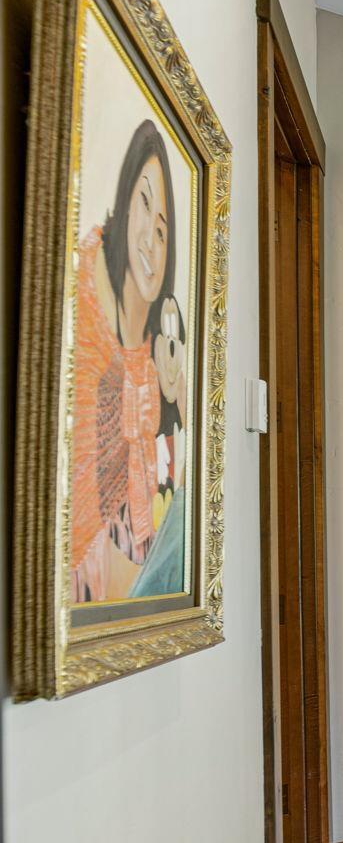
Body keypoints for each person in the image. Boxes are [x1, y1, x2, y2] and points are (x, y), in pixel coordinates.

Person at [68, 118, 180, 603]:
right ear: (123, 196)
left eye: (164, 227)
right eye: (144, 202)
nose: (151, 239)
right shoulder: (86, 305)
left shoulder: (157, 346)